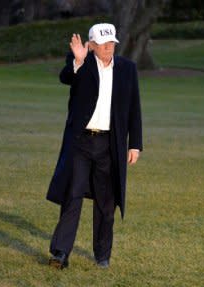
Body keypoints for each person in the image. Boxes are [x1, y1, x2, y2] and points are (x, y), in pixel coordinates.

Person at [46, 23, 143, 269]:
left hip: (110, 144)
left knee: (106, 201)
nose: (109, 47)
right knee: (72, 195)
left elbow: (134, 108)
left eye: (112, 42)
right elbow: (65, 77)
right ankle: (60, 253)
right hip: (81, 142)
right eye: (103, 43)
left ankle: (102, 255)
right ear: (91, 45)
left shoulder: (127, 69)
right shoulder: (82, 63)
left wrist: (136, 144)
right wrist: (78, 62)